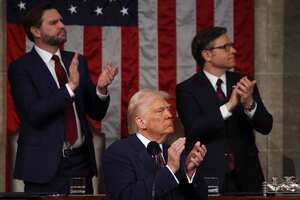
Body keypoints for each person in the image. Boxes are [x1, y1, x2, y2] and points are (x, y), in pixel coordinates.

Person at [8, 2, 118, 194]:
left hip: (80, 164)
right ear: (36, 31)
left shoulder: (76, 61)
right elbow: (33, 113)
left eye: (61, 20)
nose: (61, 25)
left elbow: (96, 113)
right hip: (43, 166)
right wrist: (70, 87)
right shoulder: (21, 68)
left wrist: (101, 89)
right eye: (53, 22)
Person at [176, 26, 273, 193]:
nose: (233, 51)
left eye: (232, 45)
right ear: (207, 55)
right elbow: (195, 127)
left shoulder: (244, 82)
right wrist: (229, 106)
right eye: (225, 47)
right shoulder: (187, 89)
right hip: (208, 176)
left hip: (247, 177)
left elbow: (266, 126)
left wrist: (249, 103)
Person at [102, 89, 208, 200]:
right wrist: (170, 169)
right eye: (160, 110)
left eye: (168, 109)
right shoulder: (119, 152)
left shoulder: (176, 152)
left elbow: (201, 196)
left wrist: (189, 173)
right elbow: (126, 196)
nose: (169, 115)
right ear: (141, 122)